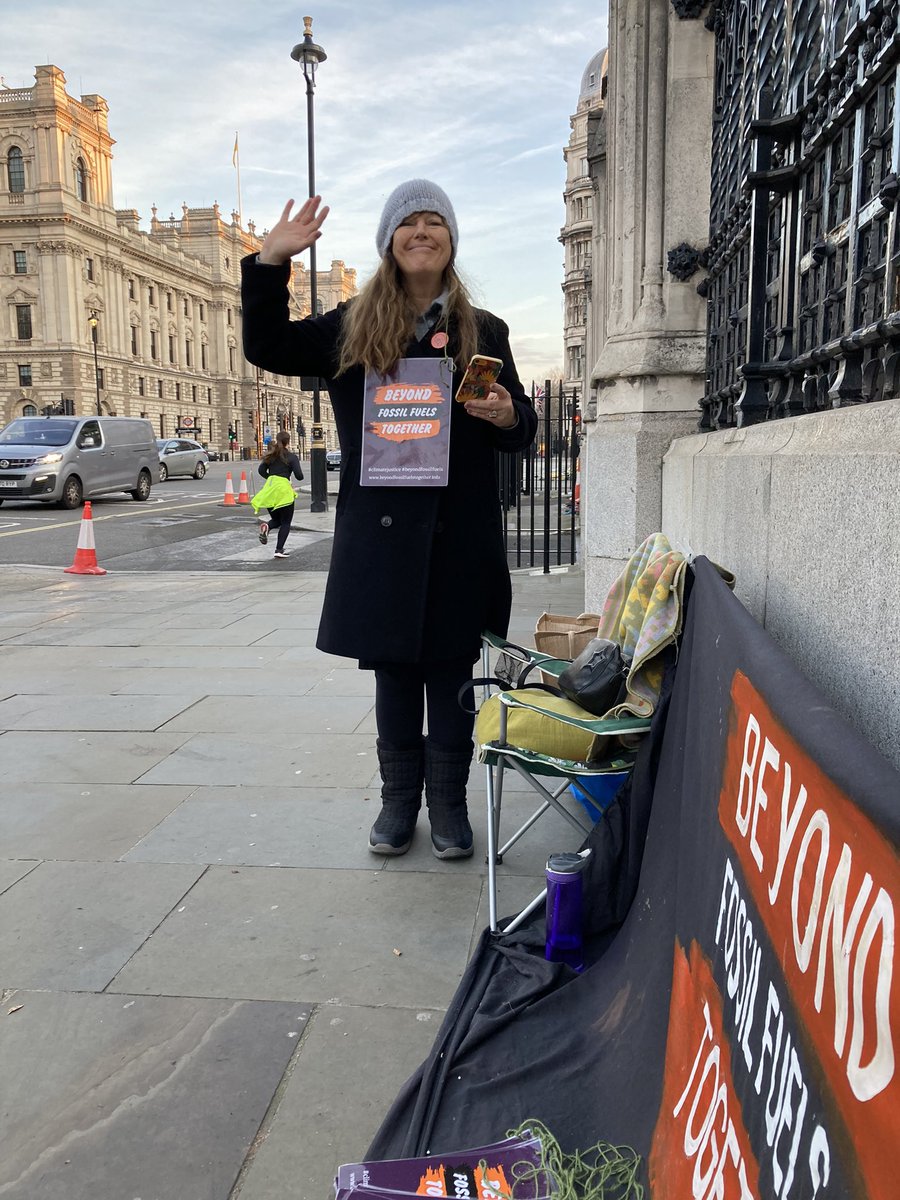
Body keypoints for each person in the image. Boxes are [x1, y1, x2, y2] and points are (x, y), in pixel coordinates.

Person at [241, 179, 537, 859]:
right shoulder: (350, 323)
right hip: (383, 541)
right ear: (389, 241)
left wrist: (507, 415)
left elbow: (519, 427)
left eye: (436, 222)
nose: (422, 231)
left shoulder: (484, 331)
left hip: (458, 537)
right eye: (409, 223)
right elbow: (267, 346)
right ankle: (398, 804)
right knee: (397, 680)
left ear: (451, 240)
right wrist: (269, 263)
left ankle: (450, 807)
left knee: (454, 675)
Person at [253, 431, 304, 558]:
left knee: (276, 519)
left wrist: (271, 477)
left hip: (270, 488)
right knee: (286, 522)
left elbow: (261, 470)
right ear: (288, 441)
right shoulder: (291, 457)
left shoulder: (271, 456)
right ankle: (279, 550)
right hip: (283, 490)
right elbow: (300, 476)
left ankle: (267, 526)